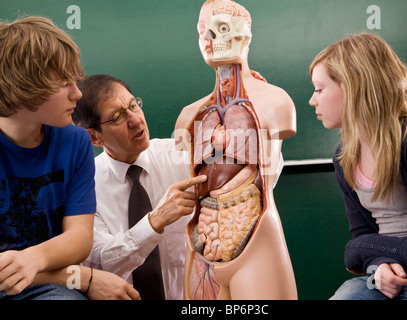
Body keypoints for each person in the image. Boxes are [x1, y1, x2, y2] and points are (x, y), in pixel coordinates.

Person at [309, 32, 407, 300]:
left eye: (319, 89)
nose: (312, 100)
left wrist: (365, 248)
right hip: (382, 278)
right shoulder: (344, 158)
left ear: (355, 85)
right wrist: (377, 266)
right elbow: (363, 237)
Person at [174, 0, 297, 299]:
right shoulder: (189, 115)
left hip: (256, 237)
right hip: (203, 243)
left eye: (220, 28)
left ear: (244, 34)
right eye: (202, 30)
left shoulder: (275, 102)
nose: (208, 38)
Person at [71, 74, 207, 300]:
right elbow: (103, 264)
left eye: (134, 105)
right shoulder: (85, 185)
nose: (135, 120)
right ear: (94, 137)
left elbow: (263, 165)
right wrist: (154, 222)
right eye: (116, 117)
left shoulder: (181, 155)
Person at [0, 16, 95, 300]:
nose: (77, 93)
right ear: (23, 87)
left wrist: (35, 259)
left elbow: (79, 238)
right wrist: (84, 279)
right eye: (64, 83)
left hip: (47, 288)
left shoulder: (75, 141)